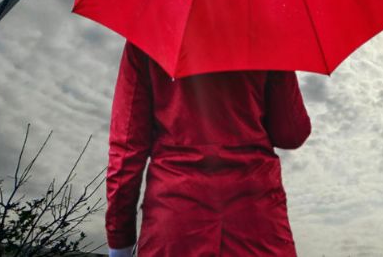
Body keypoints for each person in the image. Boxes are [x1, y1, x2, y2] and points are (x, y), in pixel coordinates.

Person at [105, 41, 311, 256]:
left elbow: (127, 147)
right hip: (257, 222)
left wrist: (120, 240)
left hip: (175, 222)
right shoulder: (267, 38)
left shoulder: (148, 38)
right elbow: (292, 134)